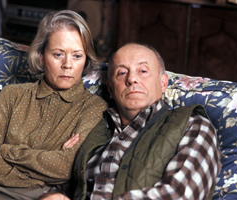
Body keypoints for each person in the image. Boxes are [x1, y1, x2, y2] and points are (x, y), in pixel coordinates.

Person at [0, 10, 107, 200]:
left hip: (46, 195)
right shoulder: (12, 95)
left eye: (77, 56)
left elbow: (65, 166)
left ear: (86, 59)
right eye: (58, 54)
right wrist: (37, 173)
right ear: (40, 56)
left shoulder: (94, 107)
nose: (67, 65)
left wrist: (6, 151)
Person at [41, 43, 222, 200]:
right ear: (110, 89)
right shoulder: (92, 127)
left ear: (163, 83)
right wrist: (52, 195)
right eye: (121, 73)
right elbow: (65, 182)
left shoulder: (194, 126)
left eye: (143, 71)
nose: (132, 79)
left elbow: (180, 194)